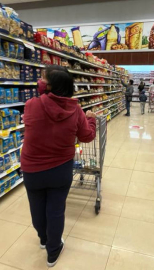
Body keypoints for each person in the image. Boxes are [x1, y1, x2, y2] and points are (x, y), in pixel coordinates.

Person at [21, 65, 97, 267]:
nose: (40, 81)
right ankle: (53, 252)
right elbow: (87, 136)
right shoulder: (76, 110)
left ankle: (44, 240)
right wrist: (91, 119)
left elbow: (32, 125)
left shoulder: (31, 105)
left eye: (43, 79)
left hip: (32, 168)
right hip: (60, 169)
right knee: (55, 210)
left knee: (37, 208)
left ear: (50, 86)